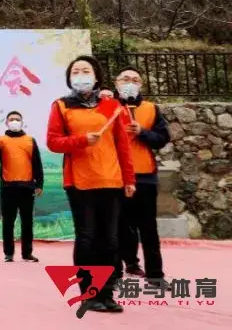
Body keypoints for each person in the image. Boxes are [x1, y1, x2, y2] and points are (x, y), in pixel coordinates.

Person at [47, 55, 135, 314]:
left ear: (96, 76)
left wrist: (129, 178)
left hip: (111, 179)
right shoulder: (62, 106)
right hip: (80, 182)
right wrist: (82, 140)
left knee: (110, 239)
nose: (81, 75)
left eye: (86, 71)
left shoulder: (110, 106)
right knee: (87, 237)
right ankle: (89, 293)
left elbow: (122, 145)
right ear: (69, 78)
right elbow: (53, 142)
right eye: (75, 71)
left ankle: (107, 293)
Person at [110, 67, 169, 288]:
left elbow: (162, 138)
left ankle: (155, 275)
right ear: (116, 83)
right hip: (115, 176)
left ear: (141, 84)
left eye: (135, 80)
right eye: (125, 79)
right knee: (117, 226)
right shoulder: (107, 108)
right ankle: (116, 273)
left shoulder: (151, 109)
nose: (130, 83)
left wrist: (142, 132)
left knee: (148, 228)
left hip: (145, 176)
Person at [0, 111, 43, 263]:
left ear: (22, 122)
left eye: (17, 119)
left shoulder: (30, 140)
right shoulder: (1, 140)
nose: (15, 121)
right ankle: (8, 253)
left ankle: (27, 253)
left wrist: (39, 184)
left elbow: (37, 163)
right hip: (8, 187)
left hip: (27, 187)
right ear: (6, 123)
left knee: (27, 222)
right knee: (8, 222)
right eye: (11, 119)